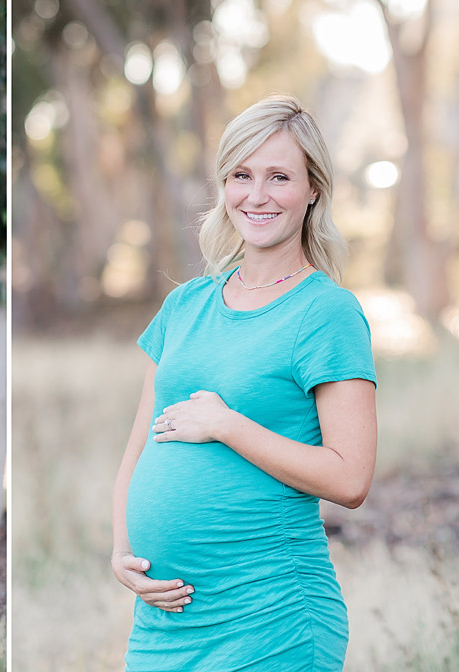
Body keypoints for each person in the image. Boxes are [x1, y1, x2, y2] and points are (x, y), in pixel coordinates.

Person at [111, 95, 377, 671]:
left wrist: (229, 426)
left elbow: (351, 478)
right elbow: (140, 443)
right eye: (242, 175)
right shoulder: (186, 304)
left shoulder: (327, 312)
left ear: (313, 189)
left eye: (279, 176)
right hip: (165, 624)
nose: (257, 196)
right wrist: (121, 549)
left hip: (272, 618)